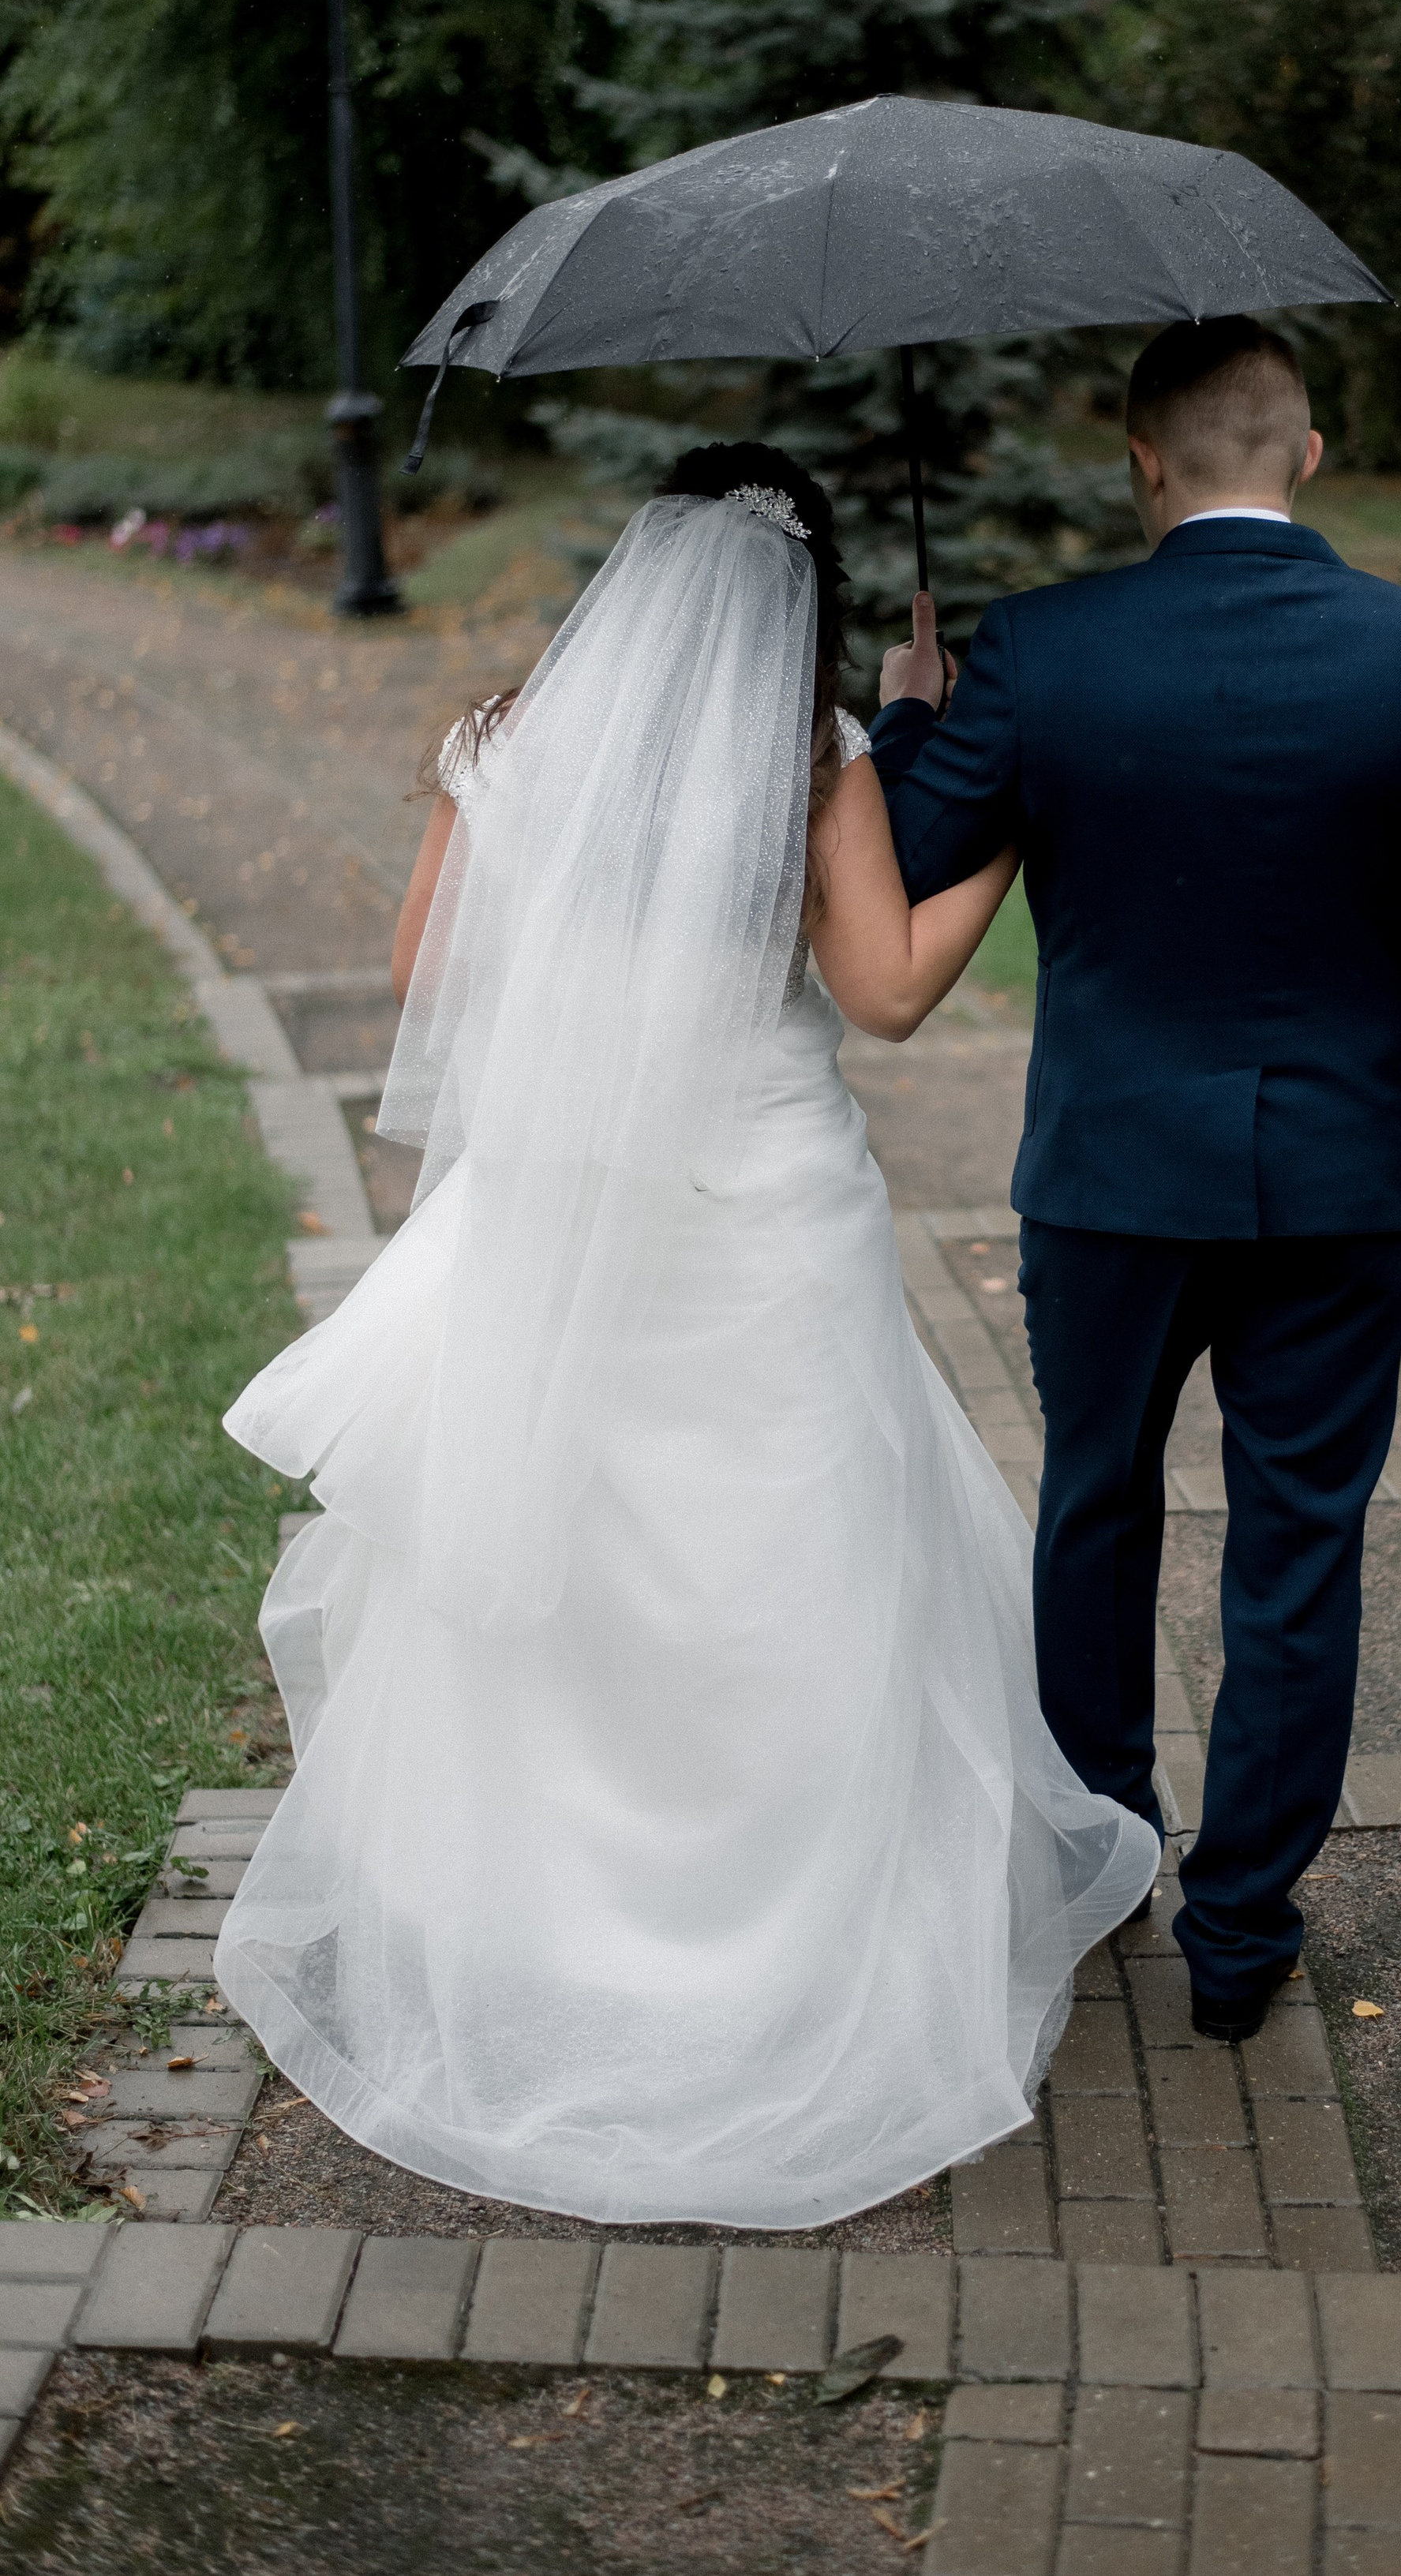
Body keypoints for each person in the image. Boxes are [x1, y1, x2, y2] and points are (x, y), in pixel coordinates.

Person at [212, 444, 1156, 2229]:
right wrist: (1005, 825)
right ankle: (778, 1949)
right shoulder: (811, 761)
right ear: (811, 600)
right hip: (766, 1216)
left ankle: (551, 1932)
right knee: (780, 1578)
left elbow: (425, 975)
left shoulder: (504, 742)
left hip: (565, 1213)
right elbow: (886, 988)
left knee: (575, 1570)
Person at [871, 319, 1401, 2042]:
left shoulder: (1041, 650)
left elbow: (903, 856)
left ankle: (1100, 1854)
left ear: (1140, 462)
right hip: (1334, 1191)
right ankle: (1242, 1933)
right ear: (1309, 455)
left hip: (1109, 1180)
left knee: (1094, 1505)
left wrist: (909, 717)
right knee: (1297, 1550)